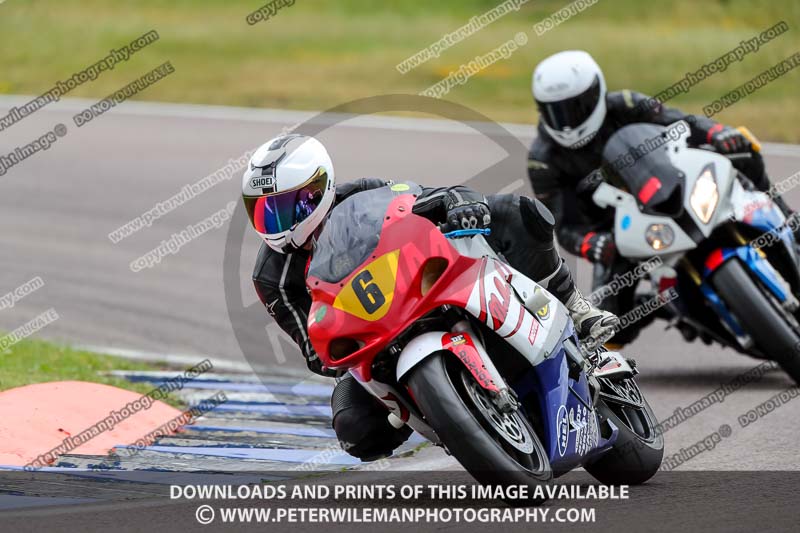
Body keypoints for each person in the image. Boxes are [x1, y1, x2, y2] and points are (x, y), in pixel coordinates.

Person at [242, 133, 618, 460]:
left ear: (319, 188)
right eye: (262, 211)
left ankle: (574, 306)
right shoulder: (272, 277)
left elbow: (422, 199)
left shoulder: (361, 194)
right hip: (371, 342)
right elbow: (315, 351)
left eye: (286, 206)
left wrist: (458, 201)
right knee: (355, 430)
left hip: (419, 288)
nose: (274, 221)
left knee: (517, 212)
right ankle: (447, 417)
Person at [527, 49, 792, 344]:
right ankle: (663, 306)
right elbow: (561, 226)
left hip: (666, 186)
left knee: (745, 153)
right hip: (619, 232)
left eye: (575, 107)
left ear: (597, 93)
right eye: (556, 112)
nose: (567, 121)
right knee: (610, 329)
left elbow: (681, 122)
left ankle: (787, 218)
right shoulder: (543, 159)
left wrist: (717, 132)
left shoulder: (626, 104)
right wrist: (593, 244)